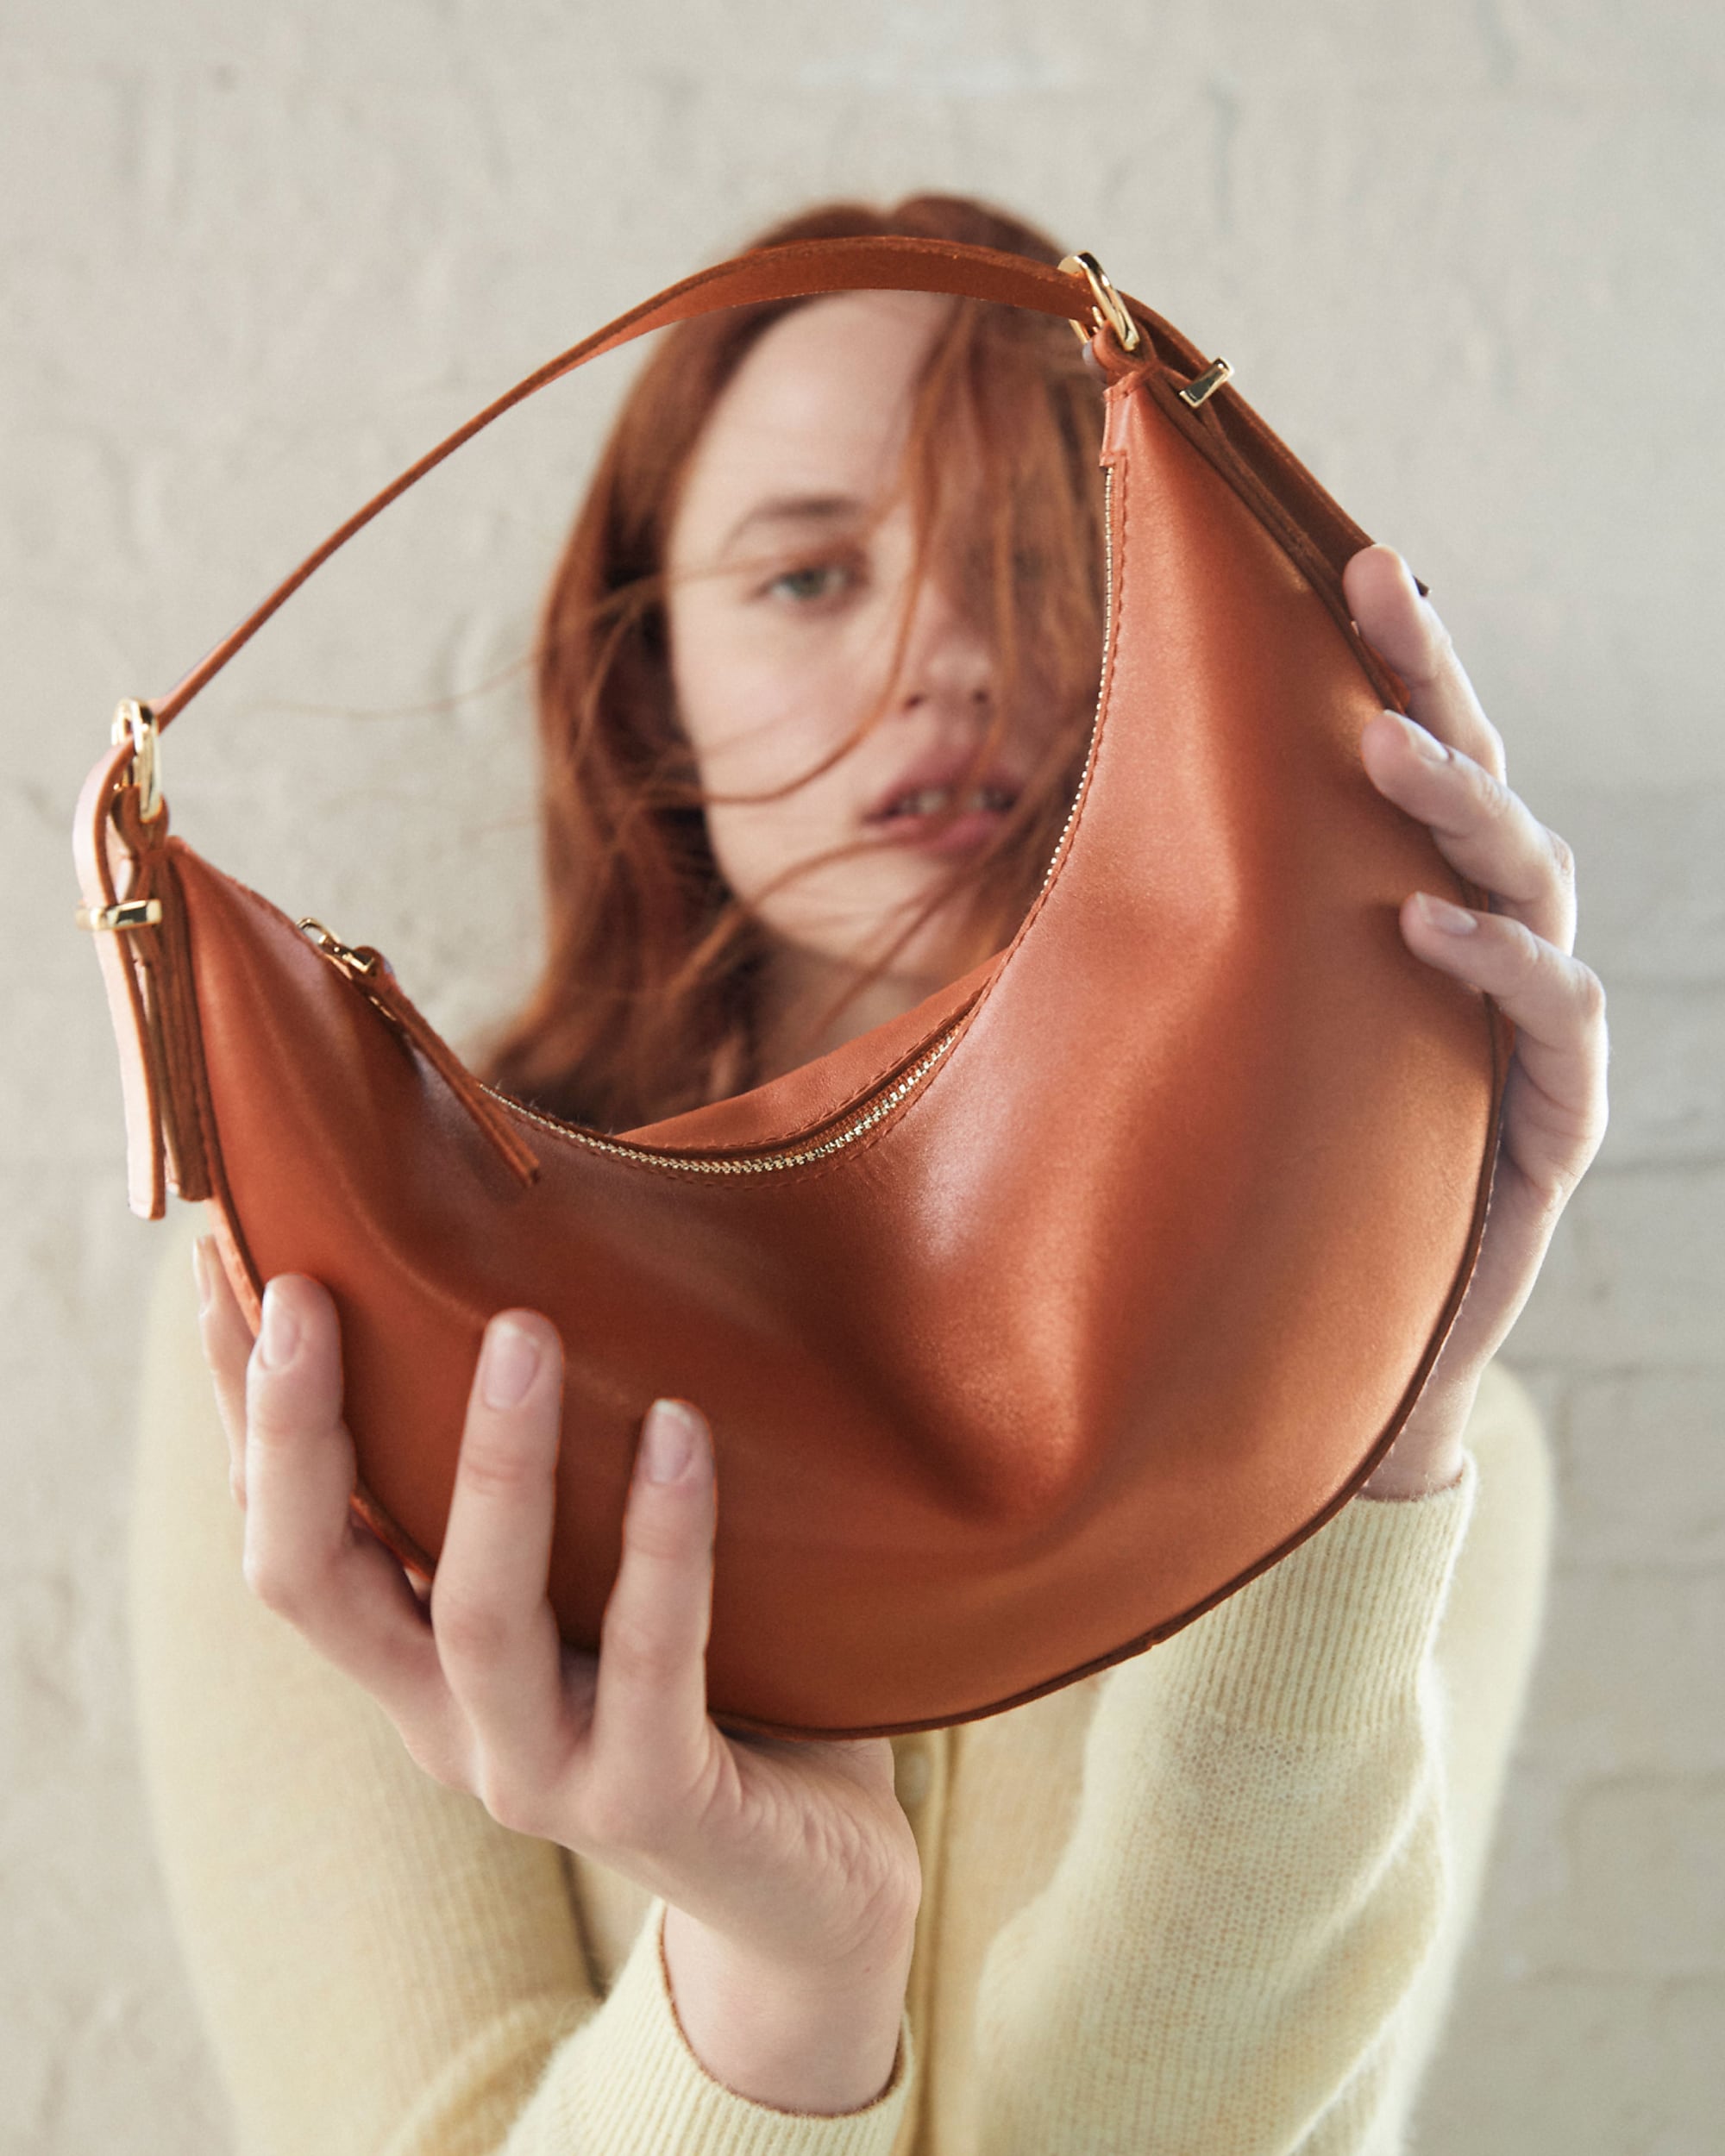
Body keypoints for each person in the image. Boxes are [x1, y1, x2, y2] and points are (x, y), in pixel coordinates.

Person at [128, 195, 1608, 2154]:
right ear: (650, 672)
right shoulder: (346, 1352)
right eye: (811, 573)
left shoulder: (1436, 1465)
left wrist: (1374, 1415)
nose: (947, 660)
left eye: (1037, 562)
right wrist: (776, 1976)